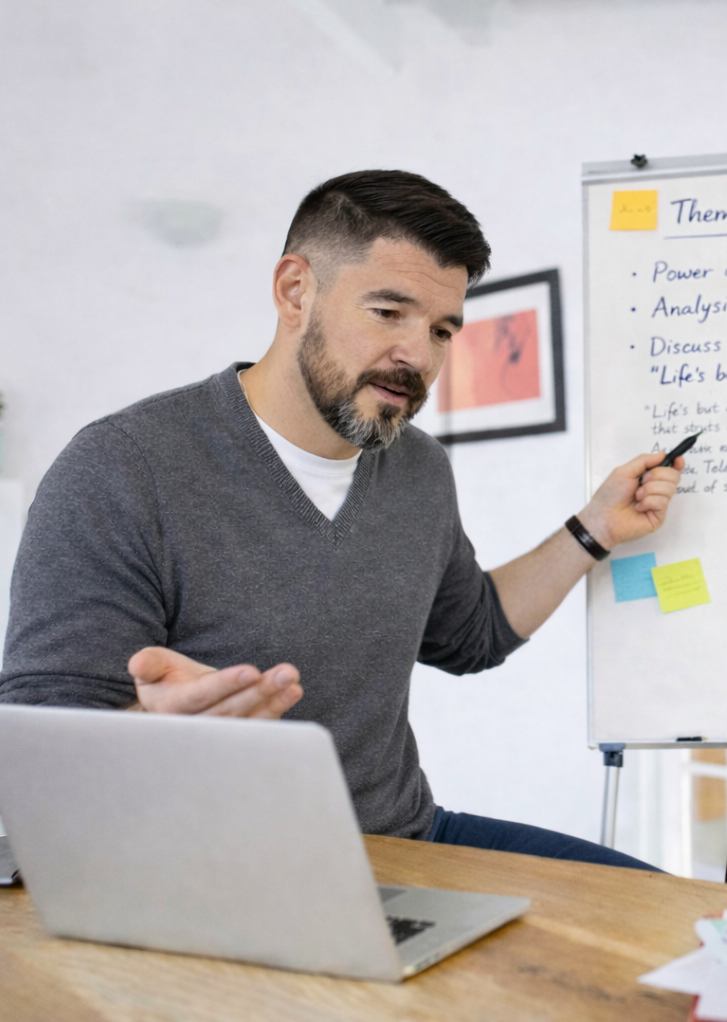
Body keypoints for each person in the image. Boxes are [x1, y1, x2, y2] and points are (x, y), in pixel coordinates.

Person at [0, 170, 683, 869]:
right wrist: (151, 734)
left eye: (441, 330)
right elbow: (40, 753)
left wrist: (595, 528)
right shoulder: (121, 468)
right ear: (295, 291)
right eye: (387, 312)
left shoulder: (418, 467)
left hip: (400, 843)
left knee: (670, 916)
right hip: (207, 870)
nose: (418, 356)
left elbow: (469, 633)